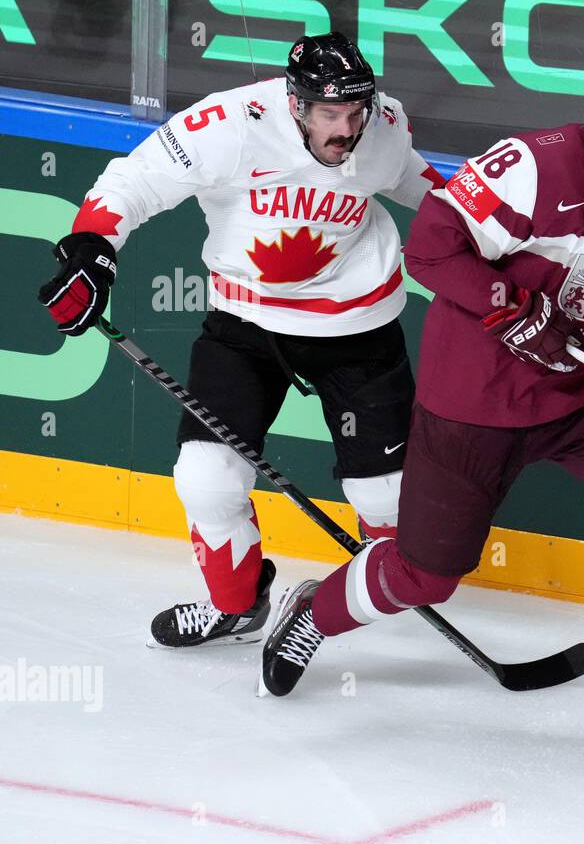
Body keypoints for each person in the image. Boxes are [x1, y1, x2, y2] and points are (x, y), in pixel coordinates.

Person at [258, 69, 584, 726]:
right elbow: (432, 246)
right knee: (426, 573)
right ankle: (313, 612)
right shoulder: (532, 168)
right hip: (476, 399)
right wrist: (509, 306)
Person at [37, 32, 443, 648]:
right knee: (207, 478)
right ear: (296, 104)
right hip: (246, 325)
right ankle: (236, 605)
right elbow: (135, 180)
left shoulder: (381, 125)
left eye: (355, 112)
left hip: (356, 327)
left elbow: (421, 184)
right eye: (330, 114)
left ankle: (363, 594)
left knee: (387, 498)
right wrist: (94, 249)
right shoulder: (227, 124)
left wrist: (487, 246)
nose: (346, 127)